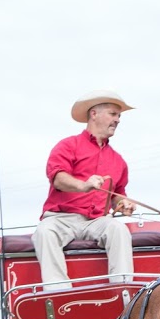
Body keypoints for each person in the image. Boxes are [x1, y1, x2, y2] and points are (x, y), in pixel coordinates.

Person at [31, 90, 136, 291]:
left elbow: (119, 194)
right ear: (94, 114)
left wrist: (123, 204)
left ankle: (123, 291)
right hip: (61, 218)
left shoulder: (119, 161)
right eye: (113, 114)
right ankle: (59, 292)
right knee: (44, 231)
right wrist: (83, 185)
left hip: (96, 221)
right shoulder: (67, 146)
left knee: (118, 229)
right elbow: (58, 178)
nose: (118, 120)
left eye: (119, 116)